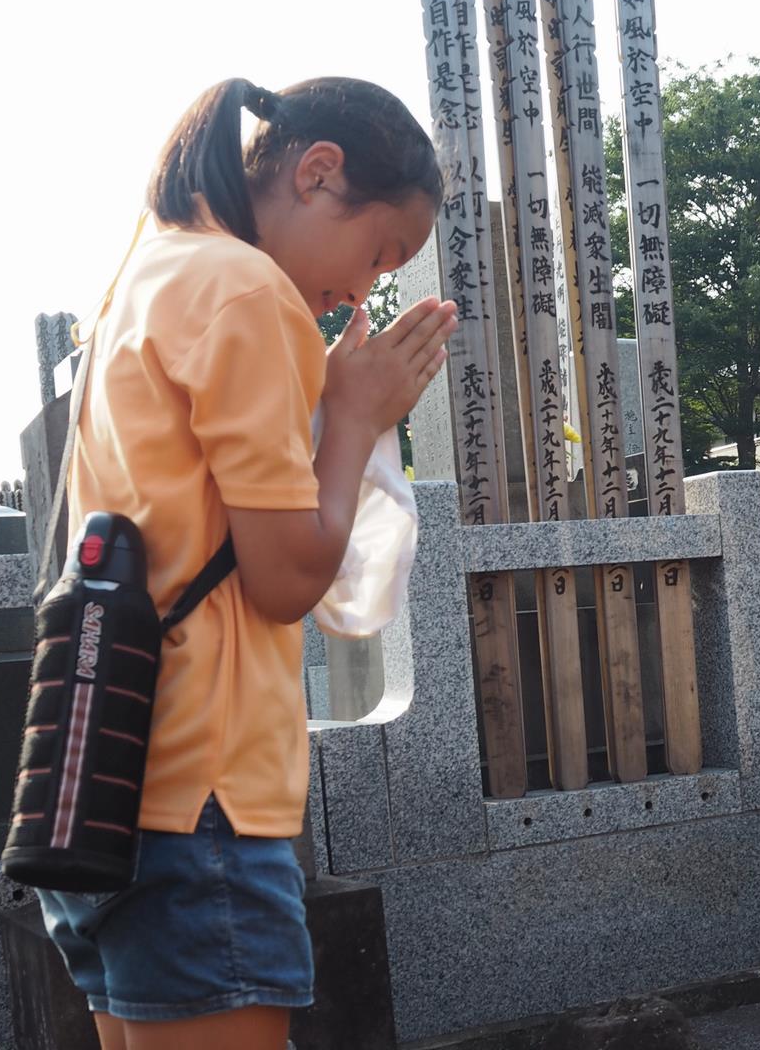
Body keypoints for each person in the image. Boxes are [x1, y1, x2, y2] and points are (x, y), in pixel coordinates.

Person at [33, 76, 456, 1050]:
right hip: (205, 807)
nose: (363, 292)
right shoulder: (244, 288)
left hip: (110, 790)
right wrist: (353, 417)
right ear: (318, 172)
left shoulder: (148, 272)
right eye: (379, 252)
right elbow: (286, 578)